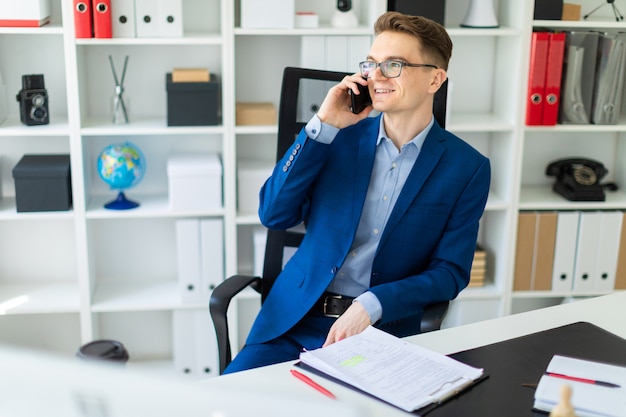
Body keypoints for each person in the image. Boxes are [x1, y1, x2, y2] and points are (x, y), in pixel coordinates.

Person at [223, 11, 491, 374]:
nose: (376, 76)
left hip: (381, 332)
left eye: (393, 65)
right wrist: (322, 126)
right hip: (292, 322)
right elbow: (274, 213)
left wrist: (373, 303)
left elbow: (450, 272)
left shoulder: (467, 167)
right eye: (371, 64)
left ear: (435, 79)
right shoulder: (335, 138)